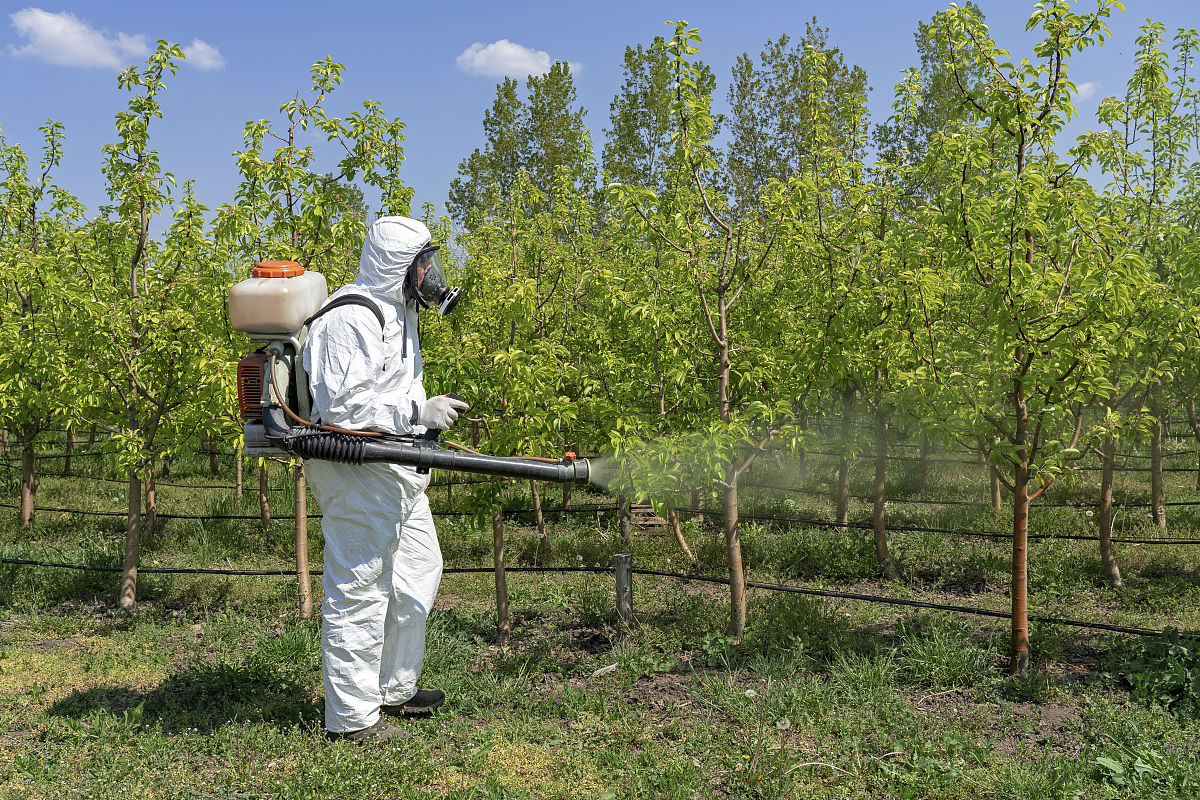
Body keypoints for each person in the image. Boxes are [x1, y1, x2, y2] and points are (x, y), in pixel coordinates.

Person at [302, 216, 467, 742]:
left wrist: (414, 420)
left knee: (419, 568)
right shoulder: (350, 319)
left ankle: (393, 687)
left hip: (394, 466)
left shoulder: (400, 312)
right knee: (361, 588)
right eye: (423, 264)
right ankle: (351, 720)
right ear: (400, 266)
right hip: (354, 470)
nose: (431, 274)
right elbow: (342, 407)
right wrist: (418, 411)